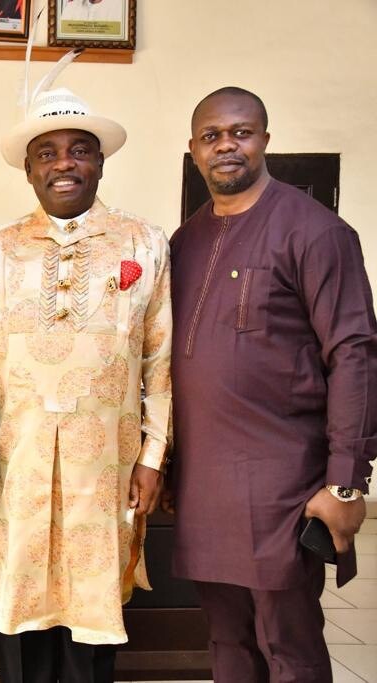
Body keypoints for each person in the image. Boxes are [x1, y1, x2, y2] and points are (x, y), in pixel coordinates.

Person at [168, 86, 376, 683]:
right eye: (211, 137)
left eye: (241, 133)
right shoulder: (186, 240)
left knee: (288, 642)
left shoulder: (316, 231)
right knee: (226, 639)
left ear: (265, 139)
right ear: (193, 150)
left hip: (284, 481)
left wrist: (344, 483)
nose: (226, 146)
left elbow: (355, 354)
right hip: (205, 482)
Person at [0, 77, 172, 682]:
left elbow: (160, 360)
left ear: (101, 162)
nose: (64, 163)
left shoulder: (145, 242)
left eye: (78, 149)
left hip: (107, 468)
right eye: (47, 152)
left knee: (93, 603)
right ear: (28, 169)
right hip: (18, 466)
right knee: (22, 602)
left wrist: (154, 455)